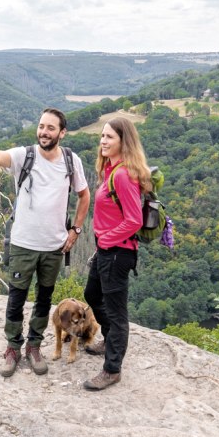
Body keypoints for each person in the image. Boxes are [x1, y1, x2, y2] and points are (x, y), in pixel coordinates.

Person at [0, 108, 90, 378]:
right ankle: (13, 348)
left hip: (54, 246)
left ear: (62, 132)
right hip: (23, 243)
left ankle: (34, 346)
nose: (44, 132)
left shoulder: (71, 161)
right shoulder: (25, 155)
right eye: (41, 126)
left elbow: (84, 195)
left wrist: (76, 230)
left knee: (44, 299)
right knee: (16, 298)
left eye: (50, 128)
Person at [83, 116, 150, 391]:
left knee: (116, 312)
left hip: (116, 253)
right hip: (107, 250)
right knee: (91, 295)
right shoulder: (112, 170)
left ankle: (112, 369)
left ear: (124, 141)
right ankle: (110, 340)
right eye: (102, 136)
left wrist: (106, 240)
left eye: (109, 137)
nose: (103, 141)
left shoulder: (122, 175)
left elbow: (134, 220)